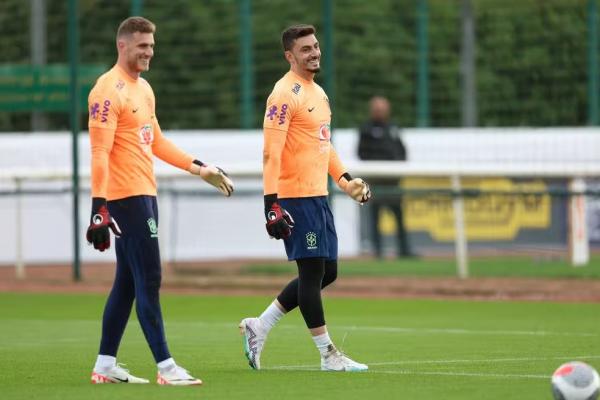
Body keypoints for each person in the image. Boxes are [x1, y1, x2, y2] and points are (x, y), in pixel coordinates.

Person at [86, 16, 233, 386]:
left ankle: (104, 365)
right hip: (124, 198)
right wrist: (98, 208)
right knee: (149, 277)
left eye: (151, 45)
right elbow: (100, 153)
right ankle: (166, 367)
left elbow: (158, 142)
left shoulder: (144, 89)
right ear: (123, 46)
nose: (149, 52)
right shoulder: (107, 90)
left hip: (144, 194)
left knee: (128, 283)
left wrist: (200, 168)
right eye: (142, 46)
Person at [239, 24, 371, 372]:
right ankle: (329, 355)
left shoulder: (319, 93)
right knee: (312, 273)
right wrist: (272, 205)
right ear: (289, 56)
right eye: (305, 49)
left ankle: (260, 325)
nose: (314, 53)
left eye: (315, 47)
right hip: (294, 197)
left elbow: (323, 145)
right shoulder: (284, 94)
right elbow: (271, 153)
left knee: (328, 272)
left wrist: (345, 181)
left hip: (318, 196)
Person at [358, 96, 413, 259]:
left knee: (399, 216)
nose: (380, 112)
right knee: (375, 215)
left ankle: (404, 250)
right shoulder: (366, 129)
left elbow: (402, 149)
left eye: (382, 109)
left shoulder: (393, 127)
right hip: (376, 180)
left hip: (393, 180)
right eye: (377, 109)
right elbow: (361, 153)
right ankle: (378, 251)